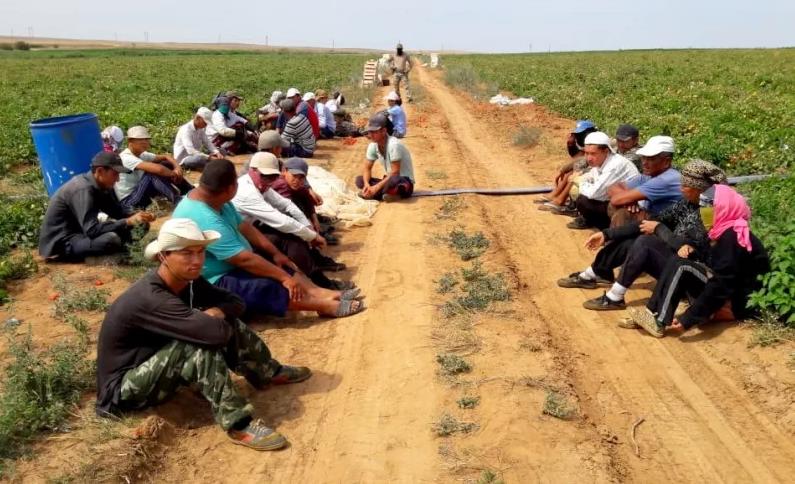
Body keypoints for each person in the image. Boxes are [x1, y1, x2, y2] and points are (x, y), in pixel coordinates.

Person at [95, 217, 312, 451]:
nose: (197, 260)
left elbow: (235, 302)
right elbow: (214, 336)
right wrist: (210, 319)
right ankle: (238, 423)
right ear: (163, 256)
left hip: (154, 363)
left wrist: (217, 311)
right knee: (199, 343)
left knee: (222, 321)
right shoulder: (151, 297)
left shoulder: (187, 280)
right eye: (187, 253)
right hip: (123, 391)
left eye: (200, 252)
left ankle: (267, 371)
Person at [172, 159, 365, 319]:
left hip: (236, 261)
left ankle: (323, 293)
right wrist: (284, 278)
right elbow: (243, 259)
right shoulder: (203, 216)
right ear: (230, 187)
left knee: (281, 263)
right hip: (212, 279)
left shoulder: (218, 199)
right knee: (266, 285)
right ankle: (322, 305)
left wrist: (276, 255)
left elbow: (246, 227)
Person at [560, 159, 725, 311]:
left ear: (698, 189)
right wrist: (607, 234)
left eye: (685, 186)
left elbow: (690, 249)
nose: (680, 188)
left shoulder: (711, 212)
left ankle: (615, 296)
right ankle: (596, 272)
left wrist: (659, 229)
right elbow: (652, 222)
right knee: (633, 237)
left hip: (690, 275)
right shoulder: (687, 204)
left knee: (645, 242)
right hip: (675, 263)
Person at [626, 185, 770, 338]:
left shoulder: (732, 236)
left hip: (739, 300)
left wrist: (689, 318)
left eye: (710, 208)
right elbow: (715, 261)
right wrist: (694, 250)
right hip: (730, 291)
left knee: (682, 267)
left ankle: (659, 321)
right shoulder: (724, 229)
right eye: (703, 208)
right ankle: (651, 313)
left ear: (724, 208)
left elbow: (723, 282)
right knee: (679, 259)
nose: (704, 213)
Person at [231, 153, 344, 289]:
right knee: (290, 238)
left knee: (294, 235)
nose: (269, 180)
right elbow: (280, 220)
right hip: (242, 239)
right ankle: (322, 285)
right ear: (252, 170)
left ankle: (320, 281)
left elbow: (286, 204)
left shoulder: (261, 184)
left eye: (272, 176)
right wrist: (311, 235)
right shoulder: (247, 191)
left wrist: (308, 227)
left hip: (253, 230)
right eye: (265, 176)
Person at [39, 151, 154, 262]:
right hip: (65, 241)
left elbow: (117, 212)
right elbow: (92, 230)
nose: (118, 179)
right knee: (110, 239)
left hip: (82, 234)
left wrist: (137, 215)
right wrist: (127, 221)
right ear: (100, 171)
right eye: (115, 174)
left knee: (141, 224)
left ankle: (120, 251)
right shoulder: (83, 189)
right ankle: (103, 255)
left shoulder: (102, 185)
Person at [604, 135, 681, 227]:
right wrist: (630, 201)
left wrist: (627, 199)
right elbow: (611, 188)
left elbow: (616, 199)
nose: (644, 163)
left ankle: (613, 238)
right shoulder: (648, 175)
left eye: (651, 159)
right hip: (652, 217)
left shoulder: (667, 179)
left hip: (665, 225)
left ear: (666, 162)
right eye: (644, 157)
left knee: (623, 213)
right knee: (619, 207)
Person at [568, 131, 639, 230]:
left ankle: (607, 229)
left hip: (629, 208)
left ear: (606, 151)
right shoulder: (602, 161)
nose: (589, 158)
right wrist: (582, 179)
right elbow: (591, 175)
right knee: (581, 195)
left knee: (582, 198)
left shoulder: (614, 165)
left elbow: (594, 193)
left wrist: (580, 181)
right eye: (586, 153)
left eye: (593, 154)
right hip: (614, 201)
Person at [115, 126, 195, 210]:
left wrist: (177, 168)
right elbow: (158, 169)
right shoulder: (126, 157)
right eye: (141, 140)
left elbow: (166, 157)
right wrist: (174, 174)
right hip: (129, 201)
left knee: (165, 164)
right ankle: (177, 200)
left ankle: (189, 190)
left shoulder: (142, 154)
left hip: (140, 192)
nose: (145, 142)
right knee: (152, 174)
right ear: (130, 141)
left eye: (146, 139)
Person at [537, 120, 598, 214]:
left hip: (598, 171)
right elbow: (578, 157)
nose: (579, 137)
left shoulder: (598, 142)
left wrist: (567, 169)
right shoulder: (590, 142)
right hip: (592, 168)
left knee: (575, 174)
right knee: (571, 172)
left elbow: (583, 159)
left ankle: (560, 200)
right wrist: (570, 145)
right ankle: (555, 195)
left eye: (580, 134)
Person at [356, 113, 415, 201]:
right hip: (389, 180)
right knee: (359, 180)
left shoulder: (394, 144)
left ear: (383, 131)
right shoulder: (373, 145)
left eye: (374, 132)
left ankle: (380, 194)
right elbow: (367, 168)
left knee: (394, 180)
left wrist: (376, 187)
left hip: (403, 181)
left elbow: (395, 172)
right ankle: (382, 193)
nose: (371, 135)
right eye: (370, 132)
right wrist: (366, 185)